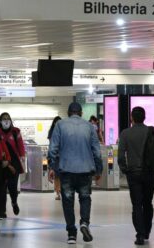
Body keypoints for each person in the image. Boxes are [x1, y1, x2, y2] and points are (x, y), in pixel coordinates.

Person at [48, 102, 103, 244]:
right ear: (81, 113)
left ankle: (71, 234)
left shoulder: (60, 125)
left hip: (66, 170)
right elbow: (97, 151)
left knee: (67, 202)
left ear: (68, 113)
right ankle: (84, 222)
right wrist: (99, 170)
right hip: (85, 170)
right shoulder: (89, 126)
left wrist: (52, 167)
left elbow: (52, 149)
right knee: (85, 198)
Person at [118, 106, 154, 245]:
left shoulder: (125, 133)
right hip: (149, 173)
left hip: (134, 174)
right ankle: (147, 231)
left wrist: (125, 170)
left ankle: (140, 235)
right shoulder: (151, 132)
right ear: (144, 117)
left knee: (136, 204)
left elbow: (121, 156)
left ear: (132, 118)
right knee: (148, 203)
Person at [0, 112, 26, 218]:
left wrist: (22, 155)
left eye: (7, 119)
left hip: (14, 162)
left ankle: (14, 202)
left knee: (12, 187)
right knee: (2, 188)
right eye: (4, 119)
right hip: (2, 162)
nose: (6, 121)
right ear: (0, 121)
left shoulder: (15, 132)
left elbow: (20, 144)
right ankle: (2, 210)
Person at [47, 116, 62, 200]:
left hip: (63, 156)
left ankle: (62, 191)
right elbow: (51, 144)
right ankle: (57, 192)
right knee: (56, 175)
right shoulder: (51, 132)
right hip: (55, 156)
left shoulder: (64, 131)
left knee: (62, 175)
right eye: (56, 122)